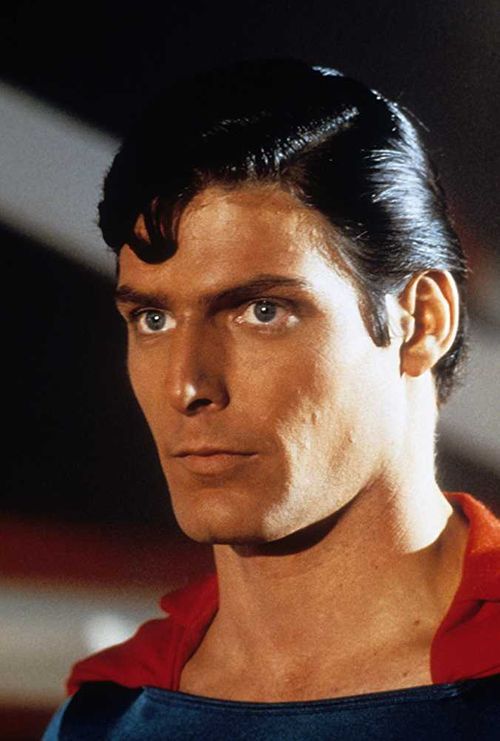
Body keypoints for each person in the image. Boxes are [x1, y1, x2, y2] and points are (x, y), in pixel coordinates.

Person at [43, 59, 500, 739]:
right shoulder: (107, 716)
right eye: (153, 319)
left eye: (262, 311)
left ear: (421, 320)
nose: (187, 386)